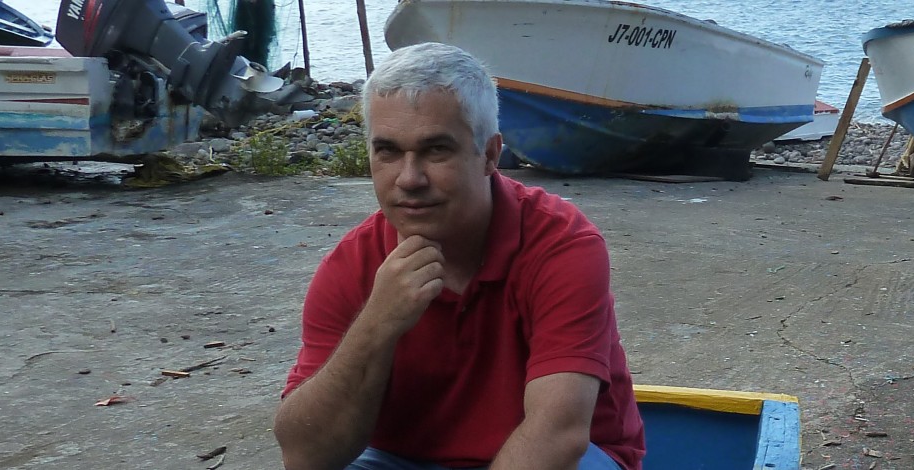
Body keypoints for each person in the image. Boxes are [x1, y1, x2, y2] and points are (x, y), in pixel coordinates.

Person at [273, 42, 644, 470]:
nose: (409, 179)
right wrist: (376, 324)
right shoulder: (353, 263)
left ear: (489, 154)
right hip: (401, 459)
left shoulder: (560, 244)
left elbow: (557, 435)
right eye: (388, 151)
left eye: (436, 150)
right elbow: (303, 456)